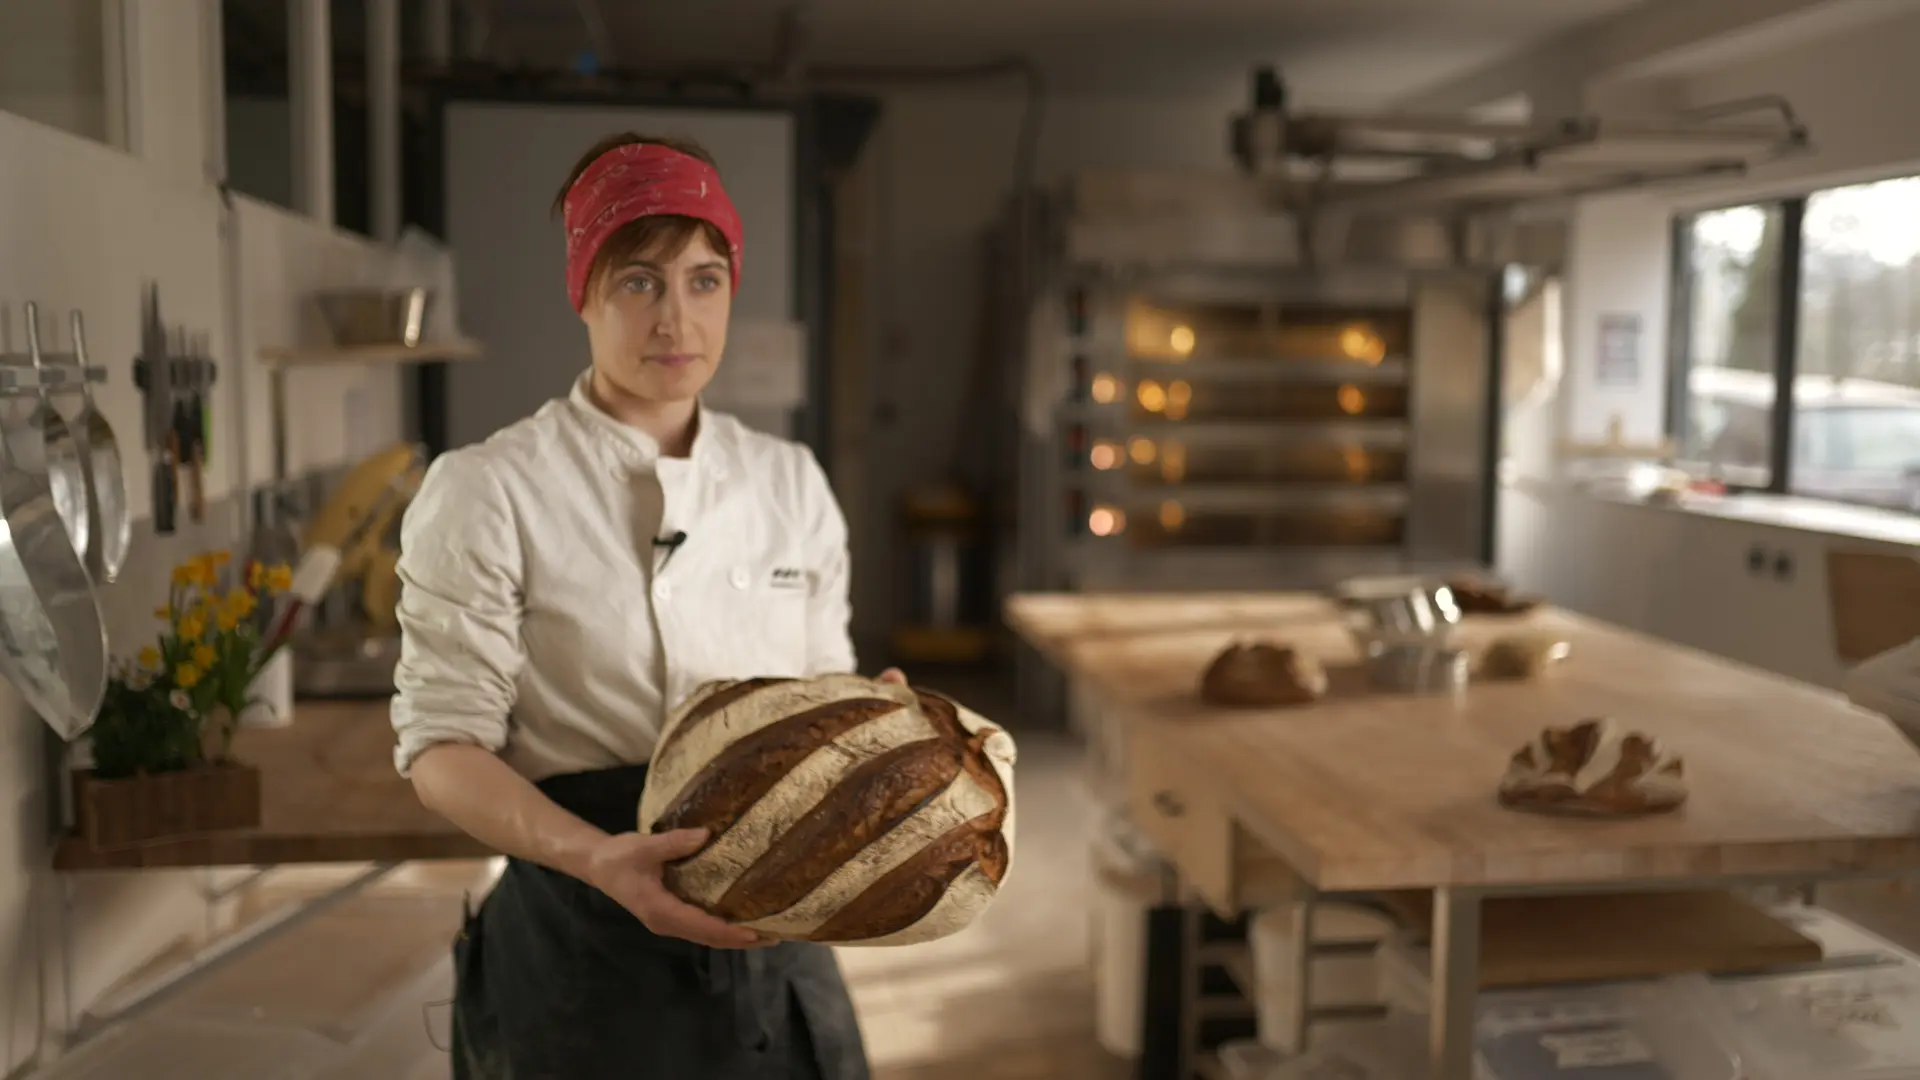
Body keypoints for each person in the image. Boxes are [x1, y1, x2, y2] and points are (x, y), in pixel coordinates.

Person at [390, 132, 882, 1080]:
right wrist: (597, 859)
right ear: (583, 292)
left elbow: (827, 698)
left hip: (778, 945)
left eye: (704, 280)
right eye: (639, 282)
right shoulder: (489, 489)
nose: (676, 321)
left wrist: (874, 724)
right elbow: (442, 751)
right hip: (585, 942)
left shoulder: (789, 482)